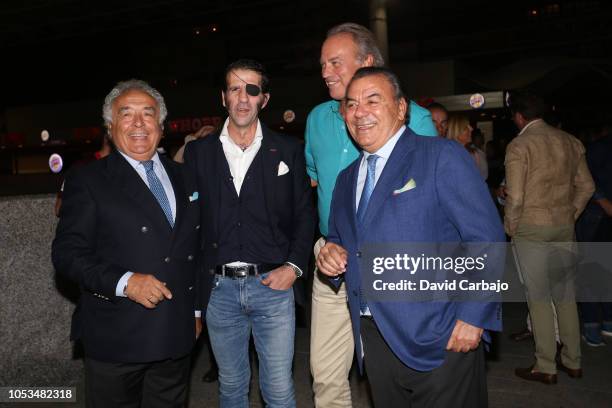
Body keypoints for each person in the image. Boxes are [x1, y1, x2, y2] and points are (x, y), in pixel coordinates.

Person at [317, 67, 504, 407]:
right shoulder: (346, 179)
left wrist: (474, 316)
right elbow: (340, 239)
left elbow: (486, 237)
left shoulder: (440, 156)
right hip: (374, 338)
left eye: (373, 100)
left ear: (401, 108)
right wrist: (331, 254)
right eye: (352, 104)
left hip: (441, 334)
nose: (360, 112)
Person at [305, 22, 436, 408]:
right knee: (325, 375)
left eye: (334, 62)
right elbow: (316, 180)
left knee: (398, 371)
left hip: (394, 263)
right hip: (332, 260)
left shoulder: (417, 119)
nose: (325, 72)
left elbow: (433, 195)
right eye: (322, 64)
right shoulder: (316, 119)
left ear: (365, 61)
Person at [52, 79, 201, 407]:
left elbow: (196, 249)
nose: (138, 123)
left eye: (148, 114)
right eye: (126, 114)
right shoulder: (88, 179)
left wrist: (195, 310)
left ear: (161, 126)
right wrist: (125, 282)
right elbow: (67, 254)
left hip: (175, 334)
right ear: (110, 126)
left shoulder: (186, 176)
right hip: (116, 337)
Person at [184, 59, 314, 407]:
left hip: (273, 287)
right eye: (235, 89)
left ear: (264, 99)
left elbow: (305, 214)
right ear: (224, 97)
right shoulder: (198, 153)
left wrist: (295, 267)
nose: (243, 98)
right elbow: (189, 222)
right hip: (218, 290)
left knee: (279, 388)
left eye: (252, 90)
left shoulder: (288, 150)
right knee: (230, 385)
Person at [504, 90, 595, 384]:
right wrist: (571, 212)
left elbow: (515, 196)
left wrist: (511, 226)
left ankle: (545, 365)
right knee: (566, 295)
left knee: (539, 297)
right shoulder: (570, 141)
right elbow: (588, 186)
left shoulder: (520, 145)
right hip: (563, 225)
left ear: (519, 116)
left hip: (531, 226)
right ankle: (573, 361)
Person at [447, 114, 488, 180]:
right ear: (456, 131)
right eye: (466, 127)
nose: (471, 129)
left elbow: (481, 178)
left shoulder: (473, 154)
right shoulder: (447, 155)